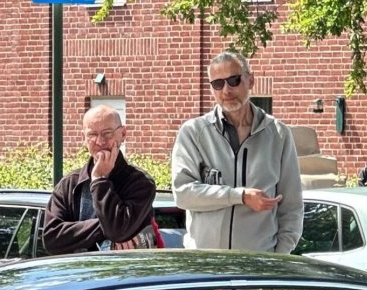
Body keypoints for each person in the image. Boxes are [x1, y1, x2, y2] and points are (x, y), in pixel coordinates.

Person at [171, 51, 303, 253]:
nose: (226, 90)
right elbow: (183, 194)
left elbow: (291, 207)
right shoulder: (194, 133)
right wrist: (239, 196)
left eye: (234, 80)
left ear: (251, 80)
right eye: (218, 84)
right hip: (206, 265)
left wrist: (278, 257)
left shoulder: (278, 134)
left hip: (257, 265)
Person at [41, 107, 157, 253]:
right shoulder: (69, 184)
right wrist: (108, 225)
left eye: (107, 133)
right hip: (79, 268)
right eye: (92, 134)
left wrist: (99, 180)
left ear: (123, 134)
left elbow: (117, 231)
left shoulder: (140, 183)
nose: (100, 141)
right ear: (84, 138)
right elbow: (51, 239)